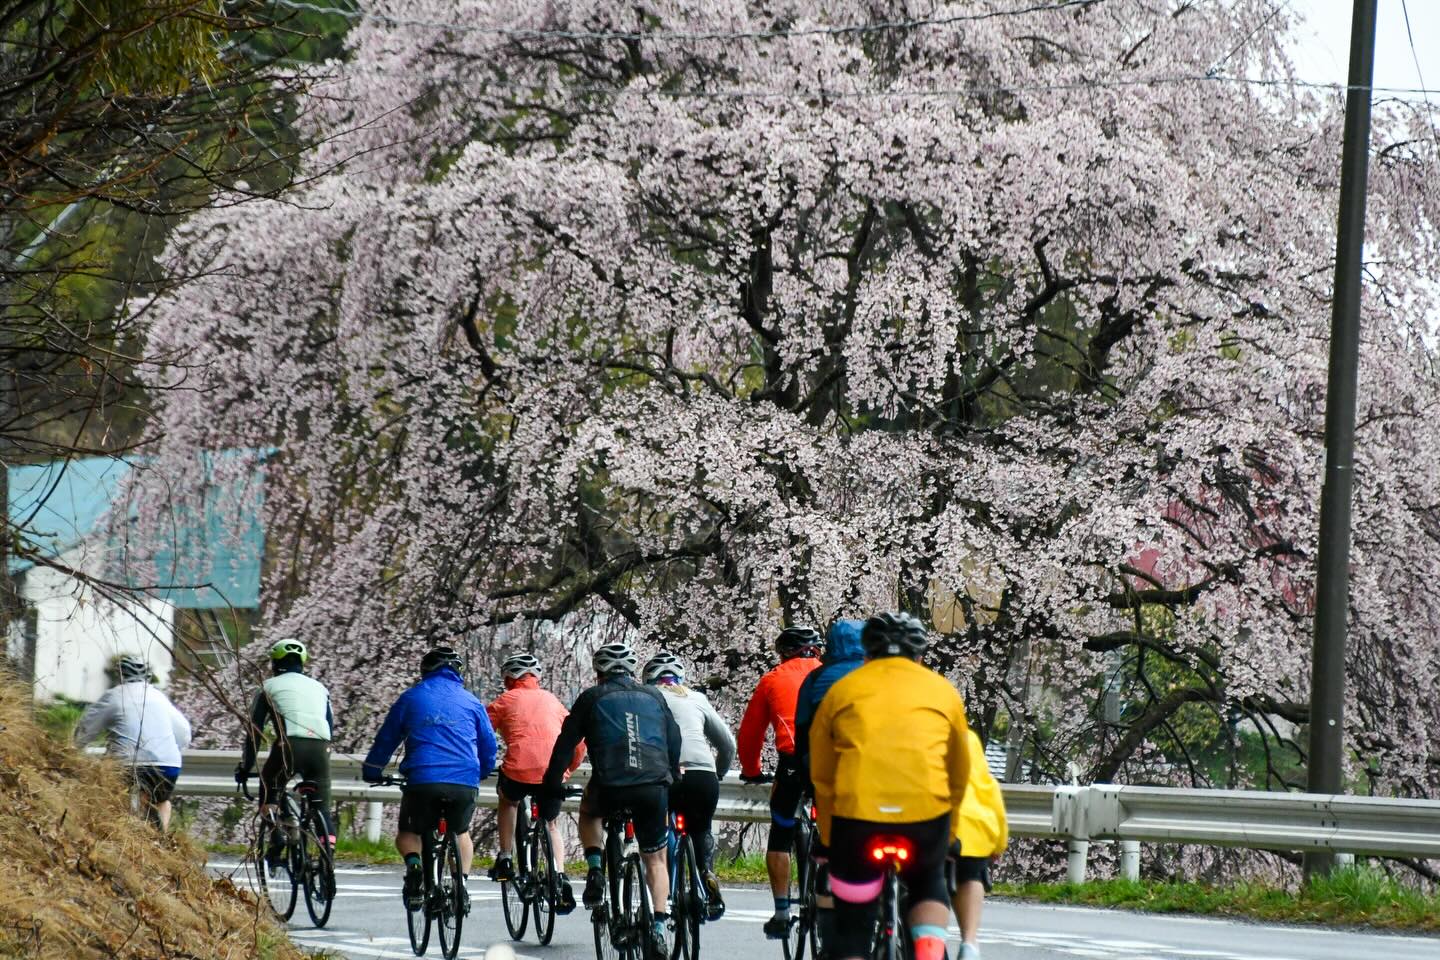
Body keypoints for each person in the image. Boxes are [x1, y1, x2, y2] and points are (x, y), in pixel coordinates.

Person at [809, 612, 971, 960]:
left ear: (866, 655)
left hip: (857, 817)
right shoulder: (944, 691)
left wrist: (827, 837)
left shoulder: (842, 691)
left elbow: (822, 775)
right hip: (925, 816)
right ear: (921, 656)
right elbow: (958, 773)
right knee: (929, 881)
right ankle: (928, 952)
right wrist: (950, 834)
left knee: (852, 926)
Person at [542, 642, 682, 960]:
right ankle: (659, 927)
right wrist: (672, 775)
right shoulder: (655, 695)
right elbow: (674, 739)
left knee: (589, 814)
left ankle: (595, 869)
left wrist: (551, 784)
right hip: (653, 784)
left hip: (610, 784)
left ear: (599, 673)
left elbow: (566, 744)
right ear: (632, 671)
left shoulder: (591, 698)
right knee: (656, 859)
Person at [362, 645, 498, 912]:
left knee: (408, 832)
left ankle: (414, 868)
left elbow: (387, 738)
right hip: (463, 780)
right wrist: (481, 771)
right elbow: (488, 744)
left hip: (423, 780)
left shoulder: (411, 697)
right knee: (460, 832)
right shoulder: (472, 702)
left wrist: (373, 769)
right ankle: (461, 885)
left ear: (425, 671)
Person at [736, 625, 823, 938]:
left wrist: (751, 769)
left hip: (792, 764)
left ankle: (782, 911)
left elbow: (750, 734)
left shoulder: (772, 678)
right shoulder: (834, 674)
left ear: (784, 653)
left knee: (782, 831)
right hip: (831, 762)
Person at [485, 651, 584, 912]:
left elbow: (481, 733)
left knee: (509, 802)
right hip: (552, 772)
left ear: (508, 678)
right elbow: (579, 742)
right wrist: (567, 770)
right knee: (551, 824)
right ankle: (560, 876)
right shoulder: (553, 701)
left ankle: (506, 858)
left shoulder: (505, 699)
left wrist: (482, 762)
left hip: (518, 770)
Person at [642, 650, 736, 920]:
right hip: (702, 775)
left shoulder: (646, 698)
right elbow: (728, 745)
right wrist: (717, 773)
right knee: (701, 828)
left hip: (664, 776)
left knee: (662, 831)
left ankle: (668, 892)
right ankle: (706, 871)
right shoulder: (697, 698)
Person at [791, 618, 866, 952]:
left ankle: (829, 929)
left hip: (829, 774)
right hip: (874, 777)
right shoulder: (872, 677)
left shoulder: (817, 678)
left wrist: (806, 776)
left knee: (830, 849)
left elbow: (804, 734)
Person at [235, 637, 336, 845]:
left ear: (274, 663)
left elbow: (255, 732)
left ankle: (276, 834)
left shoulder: (268, 687)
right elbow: (330, 726)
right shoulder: (320, 688)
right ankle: (329, 853)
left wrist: (246, 767)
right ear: (303, 662)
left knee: (270, 782)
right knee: (322, 808)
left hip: (288, 746)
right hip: (321, 748)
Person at [75, 654, 192, 830]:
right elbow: (184, 733)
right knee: (162, 801)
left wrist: (75, 748)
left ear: (120, 675)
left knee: (114, 801)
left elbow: (85, 730)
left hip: (125, 763)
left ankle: (124, 836)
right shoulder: (159, 697)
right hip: (167, 764)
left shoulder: (113, 696)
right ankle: (161, 843)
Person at [950, 729, 1008, 960]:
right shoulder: (967, 738)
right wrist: (999, 842)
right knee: (970, 875)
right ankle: (970, 942)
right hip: (974, 824)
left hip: (933, 823)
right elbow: (989, 789)